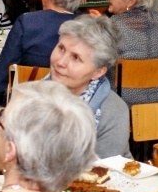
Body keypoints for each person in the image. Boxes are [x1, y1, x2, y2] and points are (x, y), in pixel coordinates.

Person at [0, 0, 87, 109]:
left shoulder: (28, 22)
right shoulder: (89, 27)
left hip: (28, 105)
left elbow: (4, 68)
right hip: (72, 105)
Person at [48, 15, 131, 159]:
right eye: (61, 48)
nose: (61, 62)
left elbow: (102, 175)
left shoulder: (112, 112)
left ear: (98, 72)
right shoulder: (31, 94)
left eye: (76, 58)